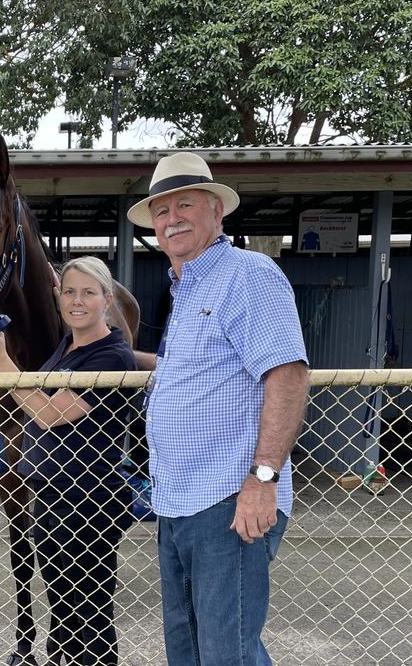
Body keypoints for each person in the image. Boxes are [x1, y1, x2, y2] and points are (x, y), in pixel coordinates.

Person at [127, 152, 309, 665]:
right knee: (188, 653)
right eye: (161, 212)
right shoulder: (186, 290)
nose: (172, 219)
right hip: (177, 504)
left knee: (227, 654)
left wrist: (263, 479)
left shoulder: (246, 276)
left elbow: (288, 374)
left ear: (216, 212)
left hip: (229, 501)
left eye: (185, 205)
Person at [0, 256, 138, 666]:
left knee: (90, 616)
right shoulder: (70, 345)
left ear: (107, 298)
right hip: (51, 496)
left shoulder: (109, 358)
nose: (76, 301)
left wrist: (0, 358)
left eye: (88, 293)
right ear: (57, 297)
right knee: (63, 613)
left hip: (87, 501)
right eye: (69, 292)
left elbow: (48, 414)